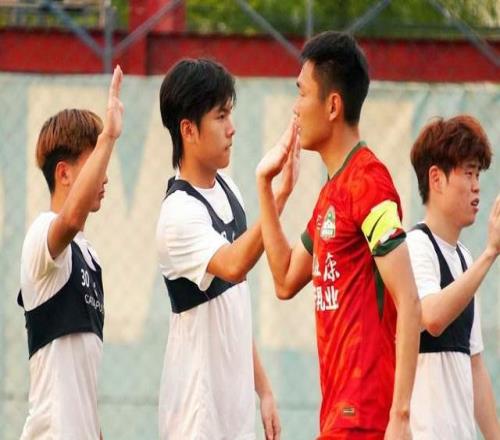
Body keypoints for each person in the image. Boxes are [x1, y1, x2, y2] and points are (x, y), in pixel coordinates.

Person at [256, 31, 421, 439]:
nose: (295, 107)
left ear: (332, 105)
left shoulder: (369, 183)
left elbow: (409, 300)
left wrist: (400, 417)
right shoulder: (332, 192)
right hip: (338, 416)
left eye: (302, 93)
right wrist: (266, 186)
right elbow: (284, 279)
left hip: (365, 417)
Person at [156, 58, 295, 440]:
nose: (232, 128)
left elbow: (234, 308)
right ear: (188, 130)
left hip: (235, 416)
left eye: (230, 114)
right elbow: (234, 265)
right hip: (195, 420)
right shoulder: (178, 213)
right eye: (220, 116)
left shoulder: (229, 190)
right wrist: (277, 196)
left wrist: (264, 390)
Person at [18, 66, 124, 439]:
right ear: (64, 174)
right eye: (95, 163)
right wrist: (108, 135)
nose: (105, 176)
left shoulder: (89, 257)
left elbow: (82, 380)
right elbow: (71, 219)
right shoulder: (41, 235)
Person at [406, 115, 500, 439]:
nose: (477, 186)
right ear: (437, 179)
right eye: (469, 173)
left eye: (478, 174)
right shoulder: (415, 246)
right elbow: (432, 317)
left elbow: (475, 365)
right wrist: (491, 253)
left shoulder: (465, 259)